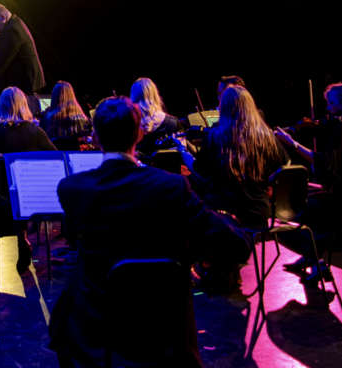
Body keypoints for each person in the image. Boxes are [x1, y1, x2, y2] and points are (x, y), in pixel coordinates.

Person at [48, 96, 251, 368]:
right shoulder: (173, 187)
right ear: (140, 133)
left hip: (97, 332)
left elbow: (72, 237)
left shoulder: (72, 188)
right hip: (162, 331)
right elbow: (236, 245)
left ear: (95, 138)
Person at [273, 82, 342, 235]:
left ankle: (310, 251)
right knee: (310, 197)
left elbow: (321, 160)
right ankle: (316, 250)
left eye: (331, 102)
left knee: (300, 205)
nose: (328, 107)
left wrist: (292, 142)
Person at [0, 87, 57, 272]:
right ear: (23, 104)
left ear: (1, 104)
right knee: (16, 198)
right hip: (25, 186)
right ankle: (23, 239)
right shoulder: (34, 130)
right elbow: (54, 156)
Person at [179, 85, 288, 229]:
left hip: (224, 213)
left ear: (223, 108)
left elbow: (198, 170)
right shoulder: (267, 136)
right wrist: (264, 184)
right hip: (258, 213)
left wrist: (182, 149)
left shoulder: (214, 136)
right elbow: (285, 167)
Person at [0, 4, 45, 112]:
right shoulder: (12, 23)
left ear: (3, 17)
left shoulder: (13, 30)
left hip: (26, 82)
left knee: (23, 117)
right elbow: (1, 45)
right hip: (23, 80)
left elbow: (2, 59)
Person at [130, 77, 183, 158]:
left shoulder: (127, 123)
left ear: (133, 97)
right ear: (155, 95)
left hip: (137, 169)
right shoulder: (174, 122)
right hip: (168, 170)